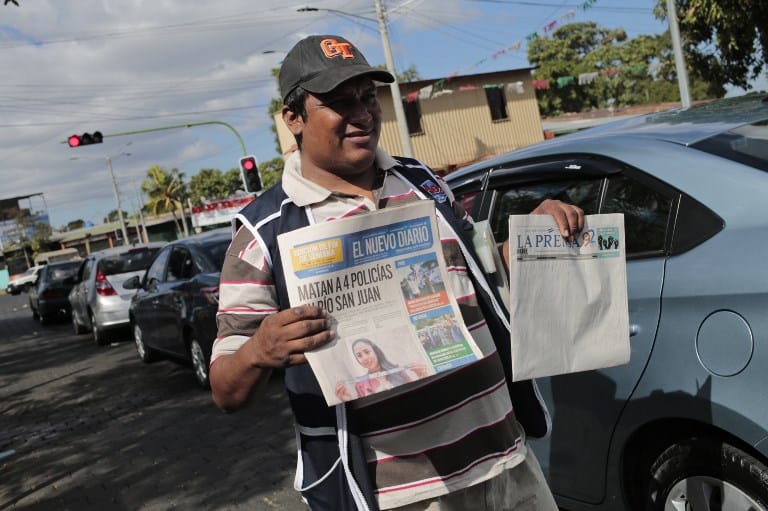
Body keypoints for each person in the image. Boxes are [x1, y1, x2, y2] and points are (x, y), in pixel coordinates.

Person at [210, 34, 584, 511]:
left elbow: (479, 273)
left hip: (504, 458)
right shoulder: (264, 234)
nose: (362, 114)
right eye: (339, 103)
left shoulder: (422, 181)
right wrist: (261, 349)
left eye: (368, 97)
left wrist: (539, 231)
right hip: (401, 496)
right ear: (294, 119)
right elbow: (225, 389)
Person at [335, 338, 428, 401]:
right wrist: (349, 400)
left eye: (367, 352)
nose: (364, 358)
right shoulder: (360, 384)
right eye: (359, 356)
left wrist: (423, 377)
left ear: (376, 351)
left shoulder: (398, 371)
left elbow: (417, 395)